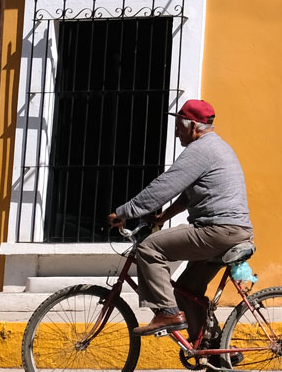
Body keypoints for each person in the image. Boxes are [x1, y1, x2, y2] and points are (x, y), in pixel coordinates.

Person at [107, 98, 253, 339]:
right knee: (186, 291)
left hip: (216, 230)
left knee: (148, 249)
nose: (176, 134)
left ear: (193, 126)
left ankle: (167, 313)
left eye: (178, 127)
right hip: (233, 231)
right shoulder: (217, 147)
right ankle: (215, 351)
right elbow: (187, 196)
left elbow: (164, 187)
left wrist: (124, 212)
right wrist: (163, 217)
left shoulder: (201, 150)